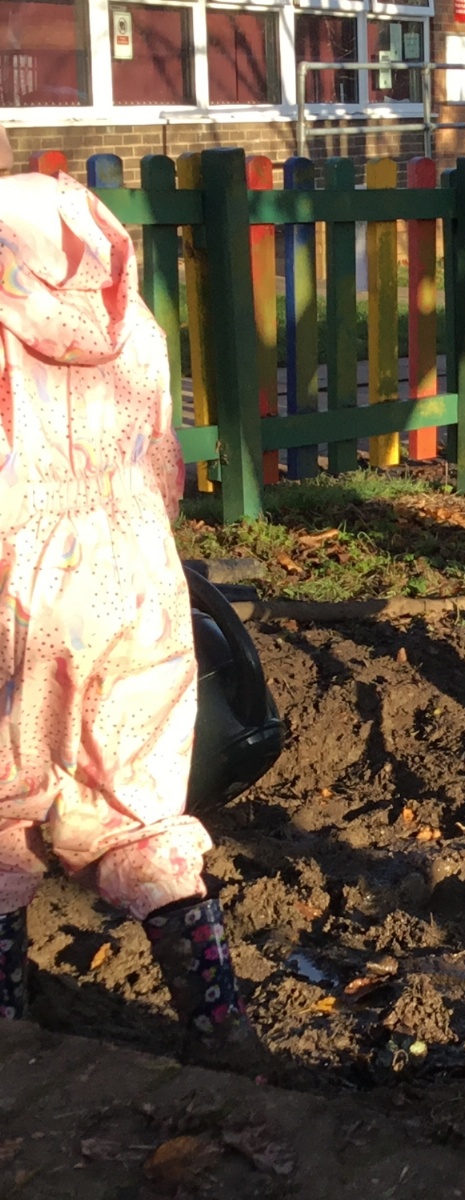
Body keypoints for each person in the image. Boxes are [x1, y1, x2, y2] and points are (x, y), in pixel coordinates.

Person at [0, 127, 261, 1066]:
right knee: (141, 797)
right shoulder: (135, 325)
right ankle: (219, 1020)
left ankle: (9, 1034)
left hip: (18, 585)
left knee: (4, 804)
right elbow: (164, 468)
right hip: (135, 579)